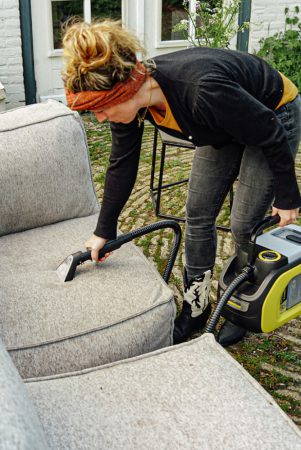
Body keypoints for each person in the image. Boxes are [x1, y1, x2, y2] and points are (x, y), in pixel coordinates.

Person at [62, 19, 301, 347]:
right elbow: (121, 163)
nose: (101, 118)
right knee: (198, 213)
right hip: (222, 123)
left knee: (244, 224)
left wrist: (288, 196)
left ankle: (239, 306)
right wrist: (104, 230)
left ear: (128, 89)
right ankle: (197, 306)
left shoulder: (201, 89)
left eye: (102, 109)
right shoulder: (135, 105)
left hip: (272, 113)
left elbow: (269, 131)